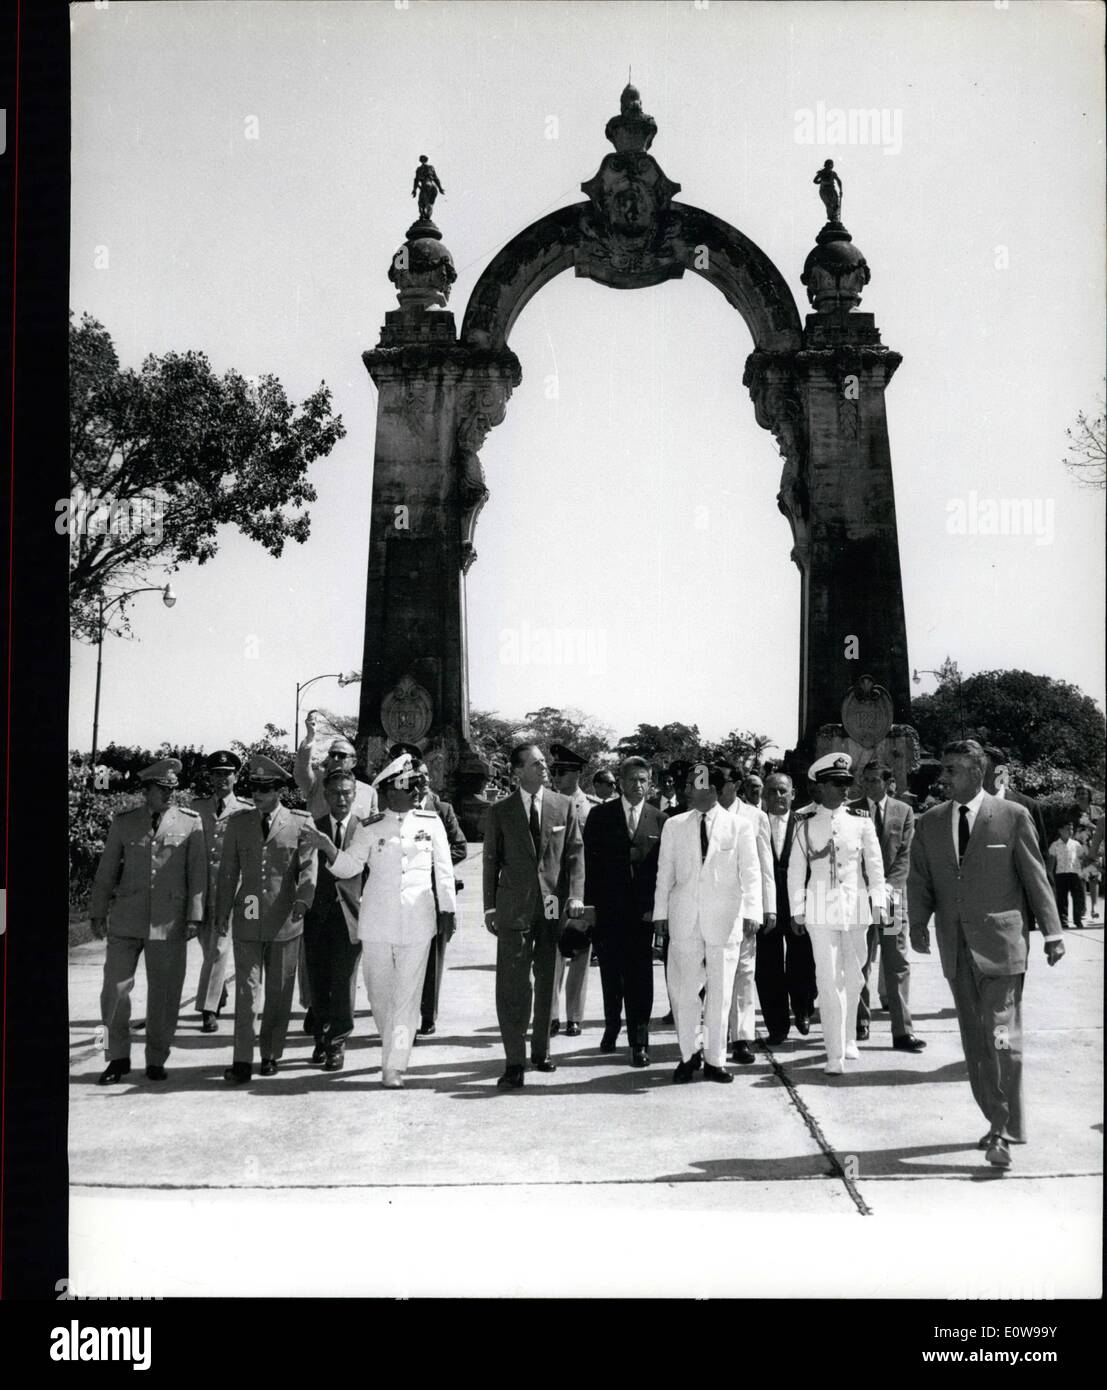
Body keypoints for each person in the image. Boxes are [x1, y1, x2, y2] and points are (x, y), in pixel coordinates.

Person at [907, 740, 1064, 1169]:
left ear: (978, 772)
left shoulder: (1012, 817)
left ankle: (1001, 1130)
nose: (944, 777)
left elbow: (1036, 878)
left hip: (1001, 947)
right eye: (944, 768)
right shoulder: (931, 822)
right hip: (957, 949)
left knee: (1000, 1036)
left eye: (954, 769)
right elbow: (920, 880)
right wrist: (917, 923)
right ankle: (1003, 1119)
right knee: (977, 1044)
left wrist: (1053, 933)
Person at [329, 754, 456, 1089]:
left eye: (416, 784)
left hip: (418, 920)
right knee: (379, 994)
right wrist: (328, 848)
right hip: (377, 922)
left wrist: (449, 911)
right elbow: (349, 867)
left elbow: (443, 870)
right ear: (389, 791)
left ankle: (393, 1066)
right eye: (408, 785)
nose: (417, 791)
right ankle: (393, 1046)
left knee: (407, 997)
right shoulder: (369, 828)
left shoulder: (430, 822)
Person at [90, 758, 207, 1084]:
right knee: (111, 992)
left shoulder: (190, 823)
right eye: (162, 788)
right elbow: (106, 871)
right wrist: (97, 911)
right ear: (147, 790)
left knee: (165, 995)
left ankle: (157, 1058)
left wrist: (195, 916)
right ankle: (112, 1057)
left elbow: (198, 874)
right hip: (126, 919)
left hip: (169, 922)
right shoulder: (124, 822)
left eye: (173, 788)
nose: (170, 793)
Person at [482, 743, 585, 1089]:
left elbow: (574, 855)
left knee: (546, 977)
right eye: (537, 763)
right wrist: (490, 907)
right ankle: (514, 1061)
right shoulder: (500, 811)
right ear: (518, 770)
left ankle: (541, 1051)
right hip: (513, 908)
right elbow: (490, 862)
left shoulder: (562, 805)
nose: (545, 768)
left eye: (545, 763)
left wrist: (575, 897)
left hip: (553, 906)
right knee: (512, 985)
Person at [652, 765, 762, 1085]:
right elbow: (665, 873)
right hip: (685, 918)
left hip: (724, 920)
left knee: (721, 992)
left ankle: (716, 1059)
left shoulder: (739, 826)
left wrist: (753, 912)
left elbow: (751, 873)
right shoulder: (674, 826)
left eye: (695, 785)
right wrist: (661, 913)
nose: (689, 791)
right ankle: (689, 1055)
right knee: (684, 992)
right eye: (688, 784)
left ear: (713, 790)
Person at [218, 755, 317, 1082]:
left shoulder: (300, 823)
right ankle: (242, 1060)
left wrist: (304, 899)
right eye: (254, 787)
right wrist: (220, 914)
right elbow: (229, 873)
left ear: (278, 791)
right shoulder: (238, 823)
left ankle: (271, 1054)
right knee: (246, 993)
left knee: (278, 993)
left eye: (265, 788)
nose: (257, 794)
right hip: (247, 917)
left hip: (284, 920)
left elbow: (308, 869)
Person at [787, 752, 887, 1075]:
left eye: (847, 783)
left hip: (855, 908)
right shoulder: (804, 826)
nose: (845, 789)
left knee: (855, 977)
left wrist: (880, 903)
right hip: (820, 909)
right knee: (828, 979)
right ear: (820, 787)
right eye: (837, 784)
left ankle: (847, 1038)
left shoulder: (861, 823)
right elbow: (795, 870)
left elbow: (875, 866)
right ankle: (834, 1054)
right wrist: (798, 909)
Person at [583, 756, 667, 1066]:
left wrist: (658, 910)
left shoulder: (660, 820)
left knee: (640, 977)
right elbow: (588, 865)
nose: (638, 785)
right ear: (620, 782)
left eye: (644, 779)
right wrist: (589, 906)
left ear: (650, 783)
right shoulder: (600, 816)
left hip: (642, 914)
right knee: (611, 974)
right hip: (608, 911)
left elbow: (664, 872)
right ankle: (611, 1025)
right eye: (632, 779)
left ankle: (639, 1040)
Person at [293, 718, 376, 1031]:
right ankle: (314, 1005)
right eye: (334, 754)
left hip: (352, 876)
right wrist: (310, 739)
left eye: (344, 756)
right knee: (311, 958)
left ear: (355, 762)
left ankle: (337, 1027)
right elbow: (302, 768)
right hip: (316, 872)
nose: (338, 760)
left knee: (344, 963)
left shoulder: (368, 793)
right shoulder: (318, 784)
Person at [384, 743, 468, 1039]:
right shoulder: (391, 811)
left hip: (432, 894)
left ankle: (428, 1014)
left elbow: (460, 848)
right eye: (412, 782)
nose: (418, 787)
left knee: (432, 956)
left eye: (421, 780)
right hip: (398, 895)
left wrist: (430, 862)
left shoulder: (442, 810)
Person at [850, 762, 925, 1053]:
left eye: (874, 780)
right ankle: (859, 1022)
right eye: (865, 780)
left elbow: (904, 856)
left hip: (892, 901)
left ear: (888, 781)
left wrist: (887, 890)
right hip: (861, 899)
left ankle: (903, 1031)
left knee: (897, 963)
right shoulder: (851, 809)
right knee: (859, 962)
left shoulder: (903, 811)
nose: (868, 785)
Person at [298, 771, 369, 1071]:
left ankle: (337, 1043)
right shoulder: (311, 828)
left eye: (347, 793)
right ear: (325, 796)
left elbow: (364, 871)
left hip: (351, 917)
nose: (341, 799)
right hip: (317, 918)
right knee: (319, 982)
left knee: (344, 983)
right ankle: (320, 1039)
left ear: (355, 795)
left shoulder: (365, 829)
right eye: (335, 793)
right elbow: (301, 869)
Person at [191, 750, 252, 1033]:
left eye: (226, 774)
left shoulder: (245, 811)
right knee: (209, 949)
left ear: (236, 777)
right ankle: (219, 994)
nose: (221, 779)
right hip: (201, 891)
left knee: (218, 949)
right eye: (216, 774)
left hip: (231, 890)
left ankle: (208, 1008)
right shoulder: (196, 808)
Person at [755, 772, 817, 1042]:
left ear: (793, 794)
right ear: (763, 795)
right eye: (771, 791)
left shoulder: (806, 824)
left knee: (802, 960)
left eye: (783, 791)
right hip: (766, 905)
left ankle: (803, 1008)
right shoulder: (753, 825)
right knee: (767, 967)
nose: (777, 796)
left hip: (797, 903)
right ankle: (776, 1026)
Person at [719, 765, 774, 1063]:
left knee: (744, 973)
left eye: (722, 782)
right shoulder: (703, 814)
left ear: (736, 784)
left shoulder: (755, 817)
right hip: (711, 908)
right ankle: (717, 1032)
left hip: (743, 909)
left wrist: (767, 908)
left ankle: (741, 1038)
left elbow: (765, 868)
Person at [548, 743, 598, 1038]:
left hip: (583, 890)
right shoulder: (548, 804)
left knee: (580, 950)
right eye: (554, 771)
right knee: (550, 950)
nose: (555, 776)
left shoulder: (592, 807)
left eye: (562, 771)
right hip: (553, 894)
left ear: (578, 773)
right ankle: (551, 1014)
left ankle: (574, 1017)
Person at [1048, 821, 1085, 929]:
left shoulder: (1076, 844)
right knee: (1062, 898)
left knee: (1078, 897)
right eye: (1067, 829)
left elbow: (1082, 859)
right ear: (1060, 831)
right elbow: (1051, 862)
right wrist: (1049, 876)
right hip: (1061, 875)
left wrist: (1084, 873)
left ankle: (1078, 920)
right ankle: (1063, 921)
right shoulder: (1055, 845)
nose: (1070, 831)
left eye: (1072, 829)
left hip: (1075, 874)